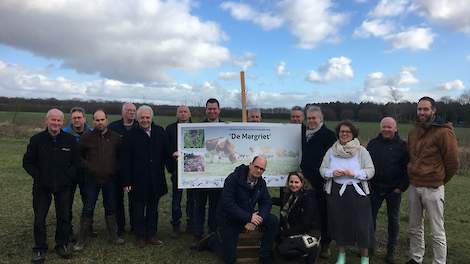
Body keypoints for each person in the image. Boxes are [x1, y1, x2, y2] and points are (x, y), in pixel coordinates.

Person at [406, 97, 459, 264]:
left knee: (437, 231)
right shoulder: (413, 131)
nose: (422, 112)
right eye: (419, 109)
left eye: (425, 109)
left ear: (433, 110)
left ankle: (439, 262)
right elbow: (411, 155)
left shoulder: (444, 132)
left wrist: (440, 179)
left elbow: (452, 162)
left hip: (434, 188)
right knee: (414, 228)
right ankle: (416, 258)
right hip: (415, 185)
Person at [196, 156, 278, 264]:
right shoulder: (232, 179)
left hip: (249, 216)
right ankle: (212, 241)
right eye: (256, 166)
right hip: (229, 219)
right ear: (250, 165)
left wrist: (258, 219)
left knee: (273, 220)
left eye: (262, 169)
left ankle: (264, 255)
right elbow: (228, 204)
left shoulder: (261, 183)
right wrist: (249, 217)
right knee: (230, 259)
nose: (258, 170)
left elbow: (267, 202)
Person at [23, 109, 80, 263]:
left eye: (58, 120)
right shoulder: (36, 140)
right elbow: (27, 162)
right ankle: (40, 248)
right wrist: (39, 176)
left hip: (63, 186)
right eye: (53, 120)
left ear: (63, 122)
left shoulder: (70, 140)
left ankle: (61, 244)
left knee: (63, 217)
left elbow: (77, 163)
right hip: (42, 186)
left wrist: (68, 177)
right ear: (46, 121)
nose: (55, 123)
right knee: (39, 219)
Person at [320, 120, 375, 264]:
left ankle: (364, 257)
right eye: (342, 131)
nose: (344, 134)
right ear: (338, 133)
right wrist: (332, 173)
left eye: (348, 132)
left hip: (358, 193)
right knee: (339, 224)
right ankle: (341, 255)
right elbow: (322, 170)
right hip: (336, 193)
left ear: (353, 134)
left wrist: (355, 173)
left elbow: (371, 171)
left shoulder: (362, 151)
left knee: (363, 226)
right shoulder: (331, 151)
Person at [73, 110, 125, 251]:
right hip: (91, 179)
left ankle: (113, 236)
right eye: (97, 120)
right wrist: (89, 167)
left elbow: (121, 157)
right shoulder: (86, 137)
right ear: (93, 121)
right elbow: (78, 157)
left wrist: (115, 168)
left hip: (110, 179)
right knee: (88, 207)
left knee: (110, 207)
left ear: (106, 120)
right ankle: (82, 239)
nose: (99, 122)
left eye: (102, 119)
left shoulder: (115, 138)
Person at [121, 105, 172, 248]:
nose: (145, 120)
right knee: (138, 210)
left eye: (147, 117)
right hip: (137, 180)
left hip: (155, 179)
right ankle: (140, 236)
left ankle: (152, 234)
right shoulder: (130, 135)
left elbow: (167, 152)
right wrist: (126, 181)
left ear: (152, 118)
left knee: (153, 210)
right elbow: (125, 160)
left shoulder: (159, 132)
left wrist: (174, 158)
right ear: (137, 119)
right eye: (142, 117)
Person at [366, 117, 409, 264]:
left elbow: (407, 169)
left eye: (389, 127)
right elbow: (365, 164)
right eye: (384, 127)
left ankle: (391, 251)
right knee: (370, 220)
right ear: (380, 128)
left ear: (395, 128)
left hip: (394, 190)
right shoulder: (372, 144)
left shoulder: (403, 146)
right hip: (375, 188)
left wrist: (400, 188)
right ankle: (369, 249)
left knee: (393, 221)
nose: (386, 129)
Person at [299, 105, 336, 258]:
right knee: (306, 212)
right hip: (303, 181)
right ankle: (305, 242)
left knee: (324, 213)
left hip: (321, 182)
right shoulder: (302, 133)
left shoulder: (329, 136)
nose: (311, 121)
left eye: (314, 118)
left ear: (321, 119)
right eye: (309, 118)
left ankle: (326, 244)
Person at [192, 98, 224, 243]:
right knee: (198, 206)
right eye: (209, 109)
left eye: (214, 108)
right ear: (206, 110)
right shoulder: (198, 127)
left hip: (219, 175)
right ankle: (197, 234)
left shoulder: (226, 127)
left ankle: (212, 234)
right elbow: (192, 149)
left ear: (219, 110)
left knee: (215, 207)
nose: (212, 111)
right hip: (201, 174)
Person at [63, 107, 94, 238]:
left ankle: (88, 228)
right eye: (74, 117)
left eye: (79, 117)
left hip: (86, 174)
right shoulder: (64, 133)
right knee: (66, 202)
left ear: (84, 118)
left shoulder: (92, 133)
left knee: (88, 201)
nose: (77, 120)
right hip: (69, 174)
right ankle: (67, 229)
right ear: (71, 119)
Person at [277, 171, 321, 264]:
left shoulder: (308, 198)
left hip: (310, 234)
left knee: (283, 248)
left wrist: (285, 233)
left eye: (296, 182)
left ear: (302, 183)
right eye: (291, 182)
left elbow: (305, 224)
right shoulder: (291, 196)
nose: (293, 185)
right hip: (297, 231)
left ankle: (311, 252)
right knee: (279, 243)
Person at [108, 102, 138, 235]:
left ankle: (135, 225)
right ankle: (119, 226)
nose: (131, 112)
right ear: (122, 112)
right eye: (129, 110)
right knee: (117, 199)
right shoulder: (113, 127)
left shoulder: (139, 126)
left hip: (135, 170)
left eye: (133, 110)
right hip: (116, 169)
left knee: (135, 199)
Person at [166, 105, 194, 238]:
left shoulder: (196, 128)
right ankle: (175, 225)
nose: (183, 114)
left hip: (193, 168)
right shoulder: (170, 129)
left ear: (189, 114)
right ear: (177, 114)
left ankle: (190, 224)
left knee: (192, 198)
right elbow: (167, 149)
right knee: (176, 199)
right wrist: (172, 161)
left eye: (185, 112)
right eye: (180, 112)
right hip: (177, 169)